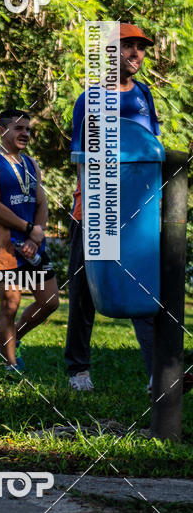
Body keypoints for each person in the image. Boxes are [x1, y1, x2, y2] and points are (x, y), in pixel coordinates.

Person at [65, 23, 161, 391]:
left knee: (147, 286)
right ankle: (78, 370)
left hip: (139, 213)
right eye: (128, 46)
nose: (136, 53)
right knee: (83, 290)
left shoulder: (144, 96)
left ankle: (158, 374)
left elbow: (152, 148)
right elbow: (80, 157)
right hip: (95, 209)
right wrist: (90, 205)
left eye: (141, 47)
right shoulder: (89, 99)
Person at [0, 109, 59, 377]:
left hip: (32, 242)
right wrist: (27, 229)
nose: (25, 133)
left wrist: (37, 233)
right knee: (10, 304)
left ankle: (8, 340)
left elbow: (41, 202)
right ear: (1, 130)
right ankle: (12, 366)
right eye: (18, 128)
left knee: (50, 301)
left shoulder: (32, 164)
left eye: (28, 129)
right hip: (2, 245)